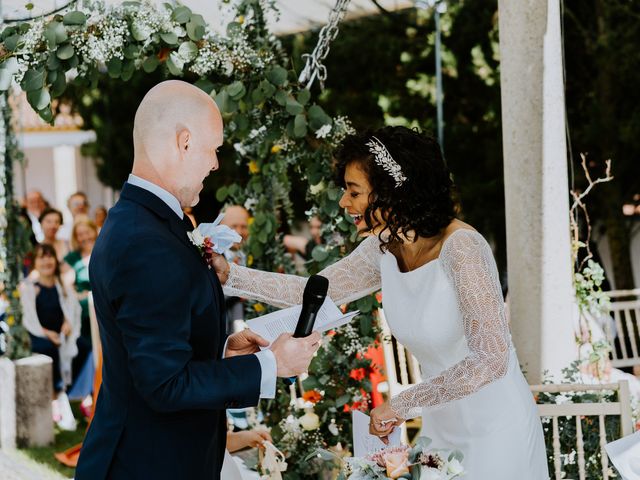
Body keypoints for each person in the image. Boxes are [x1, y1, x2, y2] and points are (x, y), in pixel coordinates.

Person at [217, 126, 549, 479]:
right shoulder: (383, 248)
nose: (345, 202)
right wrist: (230, 276)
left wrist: (402, 403)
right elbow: (314, 291)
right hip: (441, 428)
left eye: (354, 191)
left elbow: (491, 358)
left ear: (393, 191)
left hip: (497, 428)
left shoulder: (463, 248)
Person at [75, 80, 320, 480]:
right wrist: (271, 364)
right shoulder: (145, 241)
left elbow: (154, 352)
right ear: (185, 142)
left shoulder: (148, 223)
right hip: (146, 465)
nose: (215, 164)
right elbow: (165, 384)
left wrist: (220, 350)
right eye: (214, 150)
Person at [19, 244, 91, 422]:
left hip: (62, 334)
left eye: (50, 256)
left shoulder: (63, 286)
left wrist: (67, 324)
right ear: (35, 263)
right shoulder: (30, 289)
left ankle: (81, 395)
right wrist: (47, 333)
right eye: (42, 257)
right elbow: (28, 319)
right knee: (49, 349)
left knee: (85, 347)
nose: (46, 261)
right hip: (41, 335)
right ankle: (54, 397)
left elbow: (72, 310)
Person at [64, 218, 98, 344]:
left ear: (95, 231)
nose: (85, 237)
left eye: (87, 232)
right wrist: (77, 295)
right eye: (80, 235)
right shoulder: (73, 258)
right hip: (84, 309)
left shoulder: (105, 251)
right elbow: (66, 285)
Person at [221, 205, 250, 333]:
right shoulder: (210, 257)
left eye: (243, 226)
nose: (239, 231)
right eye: (233, 226)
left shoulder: (254, 256)